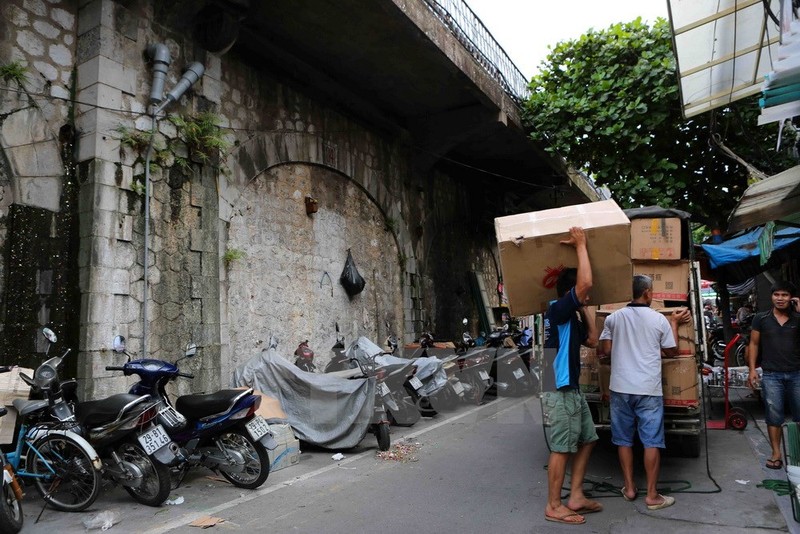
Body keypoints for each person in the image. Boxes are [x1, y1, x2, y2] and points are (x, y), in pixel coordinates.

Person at [598, 274, 691, 511]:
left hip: (620, 387)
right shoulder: (658, 319)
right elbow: (671, 352)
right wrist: (674, 323)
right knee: (651, 442)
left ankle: (629, 488)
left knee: (623, 440)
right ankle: (652, 495)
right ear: (647, 293)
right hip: (648, 389)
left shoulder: (614, 318)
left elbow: (605, 351)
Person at [542, 227, 601, 525]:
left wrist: (587, 309)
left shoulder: (571, 316)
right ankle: (554, 505)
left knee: (588, 439)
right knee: (562, 447)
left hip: (570, 387)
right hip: (560, 387)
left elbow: (592, 341)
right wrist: (581, 244)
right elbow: (586, 281)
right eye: (581, 293)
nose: (587, 292)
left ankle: (575, 495)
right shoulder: (558, 309)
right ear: (570, 293)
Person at [747, 280, 800, 470]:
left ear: (791, 298)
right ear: (771, 296)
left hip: (797, 374)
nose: (780, 298)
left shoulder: (797, 318)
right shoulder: (761, 318)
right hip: (771, 375)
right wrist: (752, 369)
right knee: (774, 416)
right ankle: (776, 453)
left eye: (785, 295)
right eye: (777, 294)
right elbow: (753, 344)